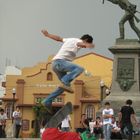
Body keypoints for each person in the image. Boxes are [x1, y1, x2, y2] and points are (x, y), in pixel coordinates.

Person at [41, 29, 94, 113]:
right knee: (80, 69)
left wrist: (48, 35)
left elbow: (58, 38)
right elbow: (80, 43)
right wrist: (88, 45)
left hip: (54, 65)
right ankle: (65, 81)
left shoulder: (69, 39)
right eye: (86, 45)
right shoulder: (78, 41)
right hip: (60, 62)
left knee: (64, 87)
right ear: (86, 40)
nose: (84, 47)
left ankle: (47, 101)